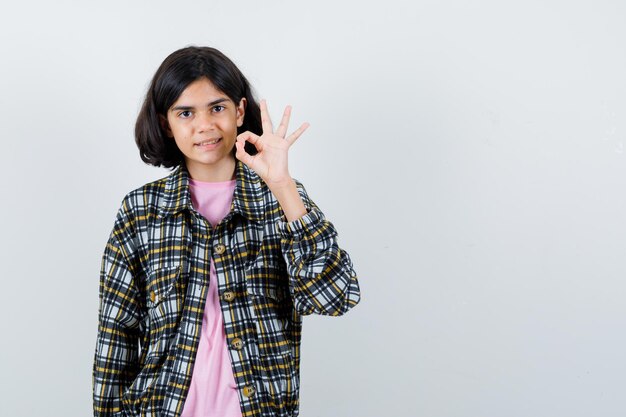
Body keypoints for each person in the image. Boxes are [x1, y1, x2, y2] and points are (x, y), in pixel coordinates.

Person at [92, 45, 361, 417]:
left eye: (217, 108)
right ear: (166, 123)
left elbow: (334, 298)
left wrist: (283, 185)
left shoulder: (280, 201)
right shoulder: (141, 211)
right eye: (185, 112)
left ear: (239, 111)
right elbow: (116, 334)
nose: (204, 125)